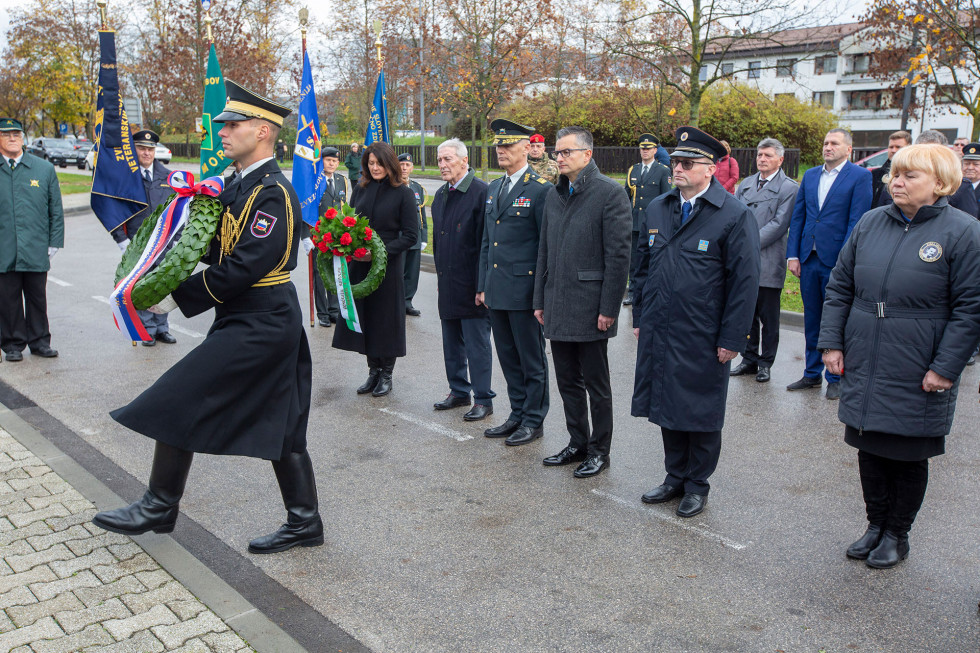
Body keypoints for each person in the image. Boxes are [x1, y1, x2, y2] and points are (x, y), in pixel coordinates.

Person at [93, 81, 323, 555]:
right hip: (247, 318)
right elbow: (213, 245)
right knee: (285, 426)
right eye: (222, 125)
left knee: (180, 395)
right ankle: (306, 522)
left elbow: (250, 262)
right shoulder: (238, 185)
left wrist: (178, 296)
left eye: (232, 125)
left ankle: (160, 504)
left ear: (262, 132)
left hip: (264, 320)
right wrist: (161, 262)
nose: (222, 132)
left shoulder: (273, 192)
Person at [818, 144, 980, 569]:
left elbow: (971, 309)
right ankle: (874, 525)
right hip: (867, 357)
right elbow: (840, 287)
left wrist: (945, 367)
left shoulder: (963, 231)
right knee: (869, 449)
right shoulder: (872, 223)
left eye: (910, 176)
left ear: (940, 184)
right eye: (894, 174)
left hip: (919, 363)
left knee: (907, 454)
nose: (897, 182)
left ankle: (896, 534)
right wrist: (832, 343)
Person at [631, 126, 760, 518]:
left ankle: (697, 484)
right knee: (666, 402)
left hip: (703, 331)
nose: (678, 169)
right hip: (661, 324)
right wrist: (640, 315)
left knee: (700, 409)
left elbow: (745, 282)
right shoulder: (660, 207)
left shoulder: (733, 215)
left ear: (710, 169)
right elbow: (642, 266)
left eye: (687, 163)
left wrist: (733, 336)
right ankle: (674, 476)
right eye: (676, 162)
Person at [534, 126, 631, 478]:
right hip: (557, 303)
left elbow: (619, 257)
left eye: (565, 152)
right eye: (556, 152)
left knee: (596, 385)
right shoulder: (554, 195)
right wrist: (539, 299)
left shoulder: (610, 193)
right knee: (567, 382)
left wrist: (609, 308)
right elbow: (543, 249)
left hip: (590, 307)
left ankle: (599, 450)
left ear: (587, 155)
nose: (558, 158)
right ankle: (578, 442)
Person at [478, 119, 551, 444]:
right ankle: (517, 413)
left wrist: (540, 297)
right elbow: (487, 242)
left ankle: (534, 420)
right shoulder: (494, 188)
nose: (501, 150)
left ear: (526, 148)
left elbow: (545, 248)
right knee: (508, 357)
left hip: (524, 292)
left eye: (508, 145)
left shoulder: (540, 189)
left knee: (531, 360)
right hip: (497, 289)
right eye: (498, 145)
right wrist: (483, 285)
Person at [785, 128, 872, 400]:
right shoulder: (811, 175)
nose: (827, 147)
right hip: (809, 258)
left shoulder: (860, 177)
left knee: (835, 320)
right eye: (825, 143)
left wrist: (844, 262)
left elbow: (856, 222)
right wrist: (793, 254)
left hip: (837, 261)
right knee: (812, 318)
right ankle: (811, 374)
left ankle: (835, 376)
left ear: (848, 149)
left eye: (834, 143)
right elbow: (798, 216)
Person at [333, 142, 418, 397]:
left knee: (385, 320)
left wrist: (380, 253)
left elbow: (411, 235)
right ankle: (372, 371)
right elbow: (349, 223)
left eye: (379, 163)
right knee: (366, 317)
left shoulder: (402, 193)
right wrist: (347, 244)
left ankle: (387, 374)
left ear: (388, 163)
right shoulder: (361, 189)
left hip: (387, 267)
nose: (375, 167)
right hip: (360, 264)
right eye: (370, 163)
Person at [430, 139, 495, 420]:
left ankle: (483, 398)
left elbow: (487, 244)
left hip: (472, 286)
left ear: (464, 161)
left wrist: (483, 285)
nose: (442, 165)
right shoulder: (442, 194)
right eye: (440, 160)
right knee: (451, 342)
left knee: (476, 344)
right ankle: (458, 391)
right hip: (448, 281)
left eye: (448, 159)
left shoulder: (481, 193)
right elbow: (438, 240)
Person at [730, 138, 798, 383]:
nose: (762, 159)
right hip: (744, 261)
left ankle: (765, 362)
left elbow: (779, 224)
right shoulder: (746, 184)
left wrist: (748, 242)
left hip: (769, 259)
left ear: (780, 160)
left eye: (768, 155)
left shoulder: (789, 188)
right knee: (748, 314)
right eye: (760, 155)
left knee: (769, 317)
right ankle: (748, 359)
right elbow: (735, 216)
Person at [0, 117, 63, 363]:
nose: (12, 138)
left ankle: (39, 342)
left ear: (23, 137)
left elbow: (55, 210)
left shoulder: (43, 169)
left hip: (36, 247)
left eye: (16, 133)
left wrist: (54, 241)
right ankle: (12, 344)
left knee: (37, 297)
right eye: (6, 134)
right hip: (4, 248)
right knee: (8, 299)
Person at [129, 129, 177, 347]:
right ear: (134, 149)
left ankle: (161, 328)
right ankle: (147, 329)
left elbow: (178, 211)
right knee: (143, 286)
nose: (146, 153)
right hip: (138, 245)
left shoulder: (168, 178)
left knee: (162, 285)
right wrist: (122, 240)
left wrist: (175, 238)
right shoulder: (127, 178)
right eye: (142, 148)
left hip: (164, 243)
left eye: (150, 149)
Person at [623, 133, 670, 306]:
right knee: (634, 259)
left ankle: (651, 292)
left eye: (648, 149)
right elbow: (625, 196)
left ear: (655, 150)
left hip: (653, 224)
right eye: (642, 148)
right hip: (635, 222)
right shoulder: (633, 170)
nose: (645, 151)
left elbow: (666, 198)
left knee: (653, 258)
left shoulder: (663, 171)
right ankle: (633, 292)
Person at [307, 146, 348, 327]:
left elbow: (344, 208)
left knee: (335, 273)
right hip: (318, 235)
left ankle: (333, 310)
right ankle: (322, 313)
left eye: (335, 161)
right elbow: (306, 209)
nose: (331, 163)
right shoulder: (313, 181)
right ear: (321, 161)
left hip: (336, 236)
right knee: (320, 275)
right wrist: (305, 236)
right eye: (328, 160)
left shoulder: (342, 181)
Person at [399, 152, 427, 317]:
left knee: (412, 273)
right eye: (401, 164)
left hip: (415, 238)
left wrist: (423, 237)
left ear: (412, 167)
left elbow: (422, 215)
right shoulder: (393, 186)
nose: (404, 168)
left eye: (407, 165)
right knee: (398, 272)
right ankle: (396, 302)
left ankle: (407, 302)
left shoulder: (417, 188)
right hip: (400, 237)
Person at [871, 131, 911, 209]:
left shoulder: (913, 174)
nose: (893, 150)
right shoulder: (876, 174)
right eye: (891, 147)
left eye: (898, 147)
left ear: (908, 148)